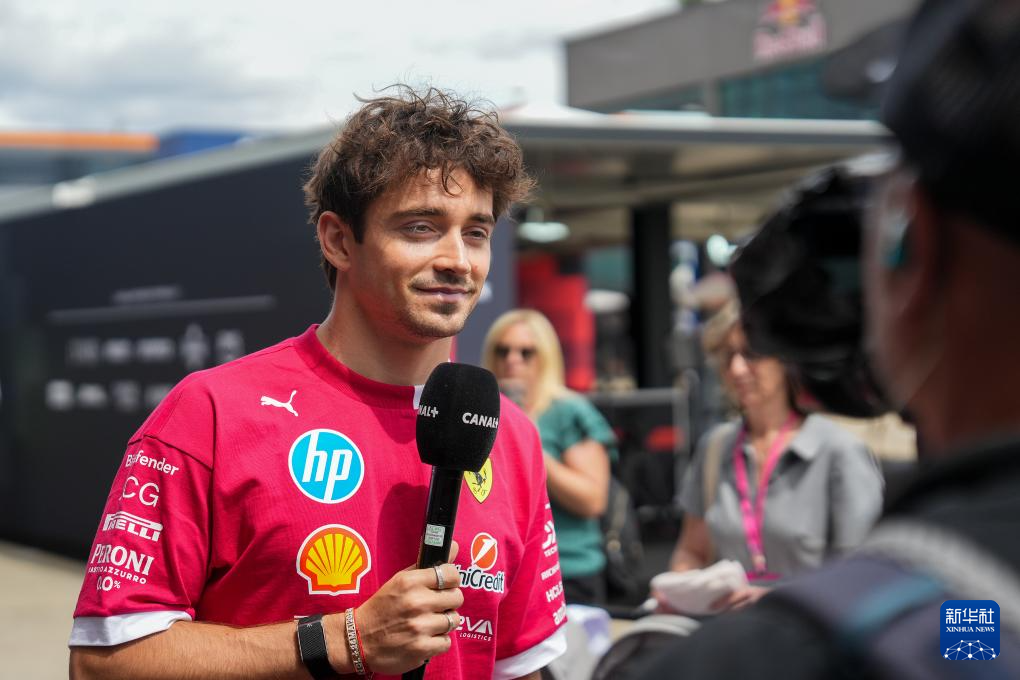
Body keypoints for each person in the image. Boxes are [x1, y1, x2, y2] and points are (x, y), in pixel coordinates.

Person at [69, 87, 567, 680]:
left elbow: (517, 667)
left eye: (476, 232)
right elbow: (103, 663)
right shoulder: (210, 414)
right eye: (420, 227)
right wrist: (342, 640)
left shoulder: (510, 434)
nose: (457, 259)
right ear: (338, 240)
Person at [639, 0, 1020, 675]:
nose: (742, 369)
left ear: (916, 249)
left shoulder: (854, 637)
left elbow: (948, 623)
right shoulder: (963, 611)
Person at [668, 301, 883, 611]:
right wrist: (681, 589)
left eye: (752, 353)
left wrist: (772, 599)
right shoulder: (714, 447)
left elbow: (862, 573)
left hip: (810, 630)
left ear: (786, 360)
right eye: (728, 356)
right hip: (731, 630)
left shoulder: (840, 451)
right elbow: (692, 551)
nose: (737, 369)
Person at [482, 309, 616, 605]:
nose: (512, 360)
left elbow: (592, 499)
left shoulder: (569, 411)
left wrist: (528, 442)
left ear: (546, 357)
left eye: (526, 352)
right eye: (503, 350)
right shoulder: (481, 413)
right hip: (499, 572)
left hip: (566, 572)